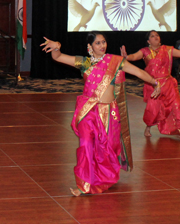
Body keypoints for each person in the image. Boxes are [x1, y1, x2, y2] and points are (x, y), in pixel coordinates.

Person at [41, 31, 162, 196]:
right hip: (88, 111)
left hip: (108, 113)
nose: (102, 45)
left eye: (103, 42)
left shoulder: (116, 61)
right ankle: (83, 184)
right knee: (85, 145)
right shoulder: (84, 62)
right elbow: (58, 57)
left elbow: (138, 72)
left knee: (106, 149)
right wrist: (56, 47)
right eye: (97, 43)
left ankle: (102, 177)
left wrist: (155, 83)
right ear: (90, 46)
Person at [121, 30, 180, 143]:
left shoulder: (167, 49)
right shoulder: (145, 51)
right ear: (148, 41)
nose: (156, 37)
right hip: (153, 85)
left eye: (157, 35)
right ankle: (148, 127)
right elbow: (134, 57)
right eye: (152, 36)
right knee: (153, 110)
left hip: (168, 84)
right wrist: (126, 56)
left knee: (176, 106)